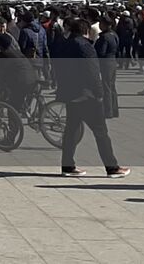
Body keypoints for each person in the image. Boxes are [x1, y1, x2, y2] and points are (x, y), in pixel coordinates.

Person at [57, 17, 131, 178]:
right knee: (101, 132)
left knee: (71, 131)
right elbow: (92, 73)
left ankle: (67, 166)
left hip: (71, 94)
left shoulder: (65, 45)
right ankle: (112, 167)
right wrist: (99, 93)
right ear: (86, 31)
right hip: (87, 96)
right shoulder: (86, 47)